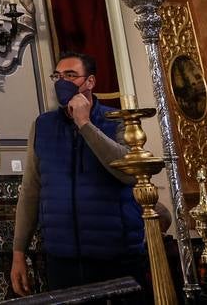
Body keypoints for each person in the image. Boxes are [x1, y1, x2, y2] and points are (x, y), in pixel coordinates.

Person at [10, 51, 146, 298]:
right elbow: (31, 190)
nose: (62, 82)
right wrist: (19, 253)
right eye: (57, 76)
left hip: (115, 257)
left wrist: (85, 125)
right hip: (63, 259)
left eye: (71, 75)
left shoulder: (118, 121)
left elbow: (129, 174)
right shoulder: (43, 125)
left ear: (90, 82)